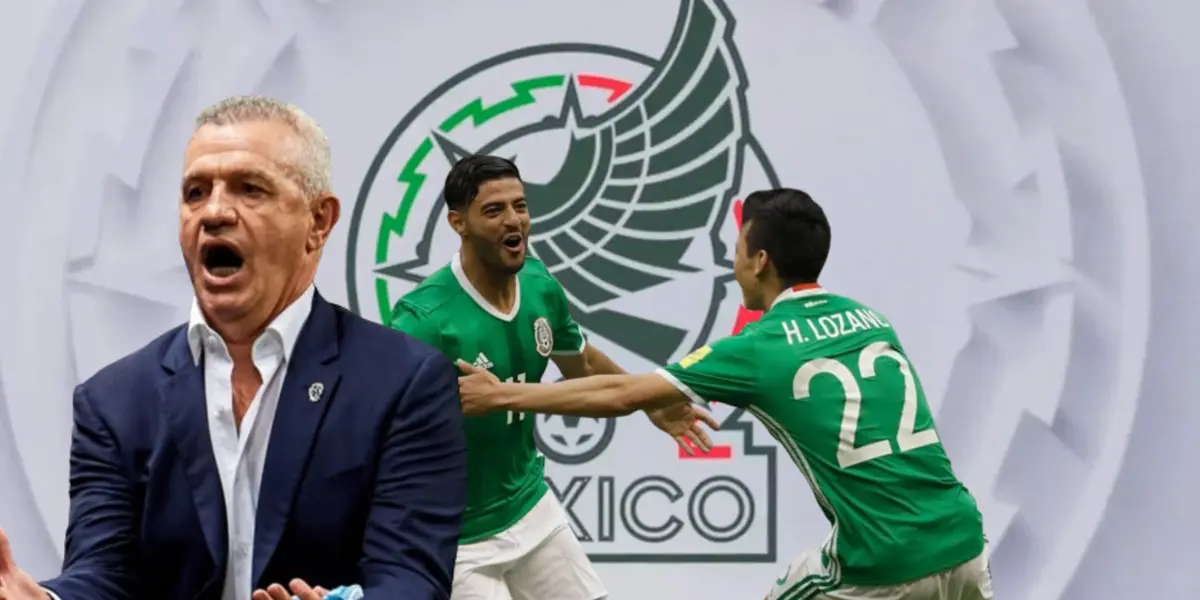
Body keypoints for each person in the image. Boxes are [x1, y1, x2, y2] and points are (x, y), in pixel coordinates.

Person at [0, 96, 467, 600]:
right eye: (195, 192)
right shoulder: (112, 401)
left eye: (250, 189)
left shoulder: (405, 382)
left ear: (318, 222)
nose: (215, 212)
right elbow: (106, 575)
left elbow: (410, 580)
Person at [456, 188, 995, 600]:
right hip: (965, 539)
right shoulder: (872, 321)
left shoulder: (759, 345)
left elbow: (621, 393)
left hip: (883, 555)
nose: (731, 261)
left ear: (760, 261)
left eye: (737, 247)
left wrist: (503, 396)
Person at [389, 154, 716, 600]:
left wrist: (651, 401)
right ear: (457, 222)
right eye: (493, 210)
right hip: (455, 539)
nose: (514, 221)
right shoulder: (423, 320)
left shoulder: (540, 285)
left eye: (520, 206)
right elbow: (382, 431)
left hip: (530, 506)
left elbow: (580, 363)